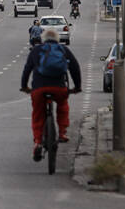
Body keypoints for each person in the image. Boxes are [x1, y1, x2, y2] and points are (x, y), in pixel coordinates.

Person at [20, 29, 82, 162]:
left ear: (43, 39)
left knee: (38, 114)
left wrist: (24, 86)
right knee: (62, 106)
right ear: (57, 39)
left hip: (39, 88)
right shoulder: (63, 50)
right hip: (59, 88)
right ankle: (62, 132)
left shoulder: (36, 50)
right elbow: (75, 68)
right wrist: (77, 87)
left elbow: (27, 69)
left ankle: (37, 141)